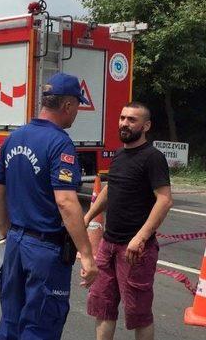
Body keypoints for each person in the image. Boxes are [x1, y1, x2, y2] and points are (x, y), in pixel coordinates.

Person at [0, 72, 98, 340]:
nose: (76, 113)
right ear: (67, 106)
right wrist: (86, 254)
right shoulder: (59, 142)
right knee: (40, 326)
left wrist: (7, 233)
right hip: (44, 250)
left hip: (15, 244)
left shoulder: (14, 138)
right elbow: (65, 201)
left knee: (11, 321)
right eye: (77, 106)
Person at [84, 102, 173, 340]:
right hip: (108, 245)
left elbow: (164, 200)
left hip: (135, 251)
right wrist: (88, 216)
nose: (124, 123)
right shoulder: (120, 154)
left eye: (132, 120)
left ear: (146, 126)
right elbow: (110, 189)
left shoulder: (153, 158)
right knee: (103, 306)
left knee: (138, 313)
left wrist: (141, 237)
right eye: (122, 117)